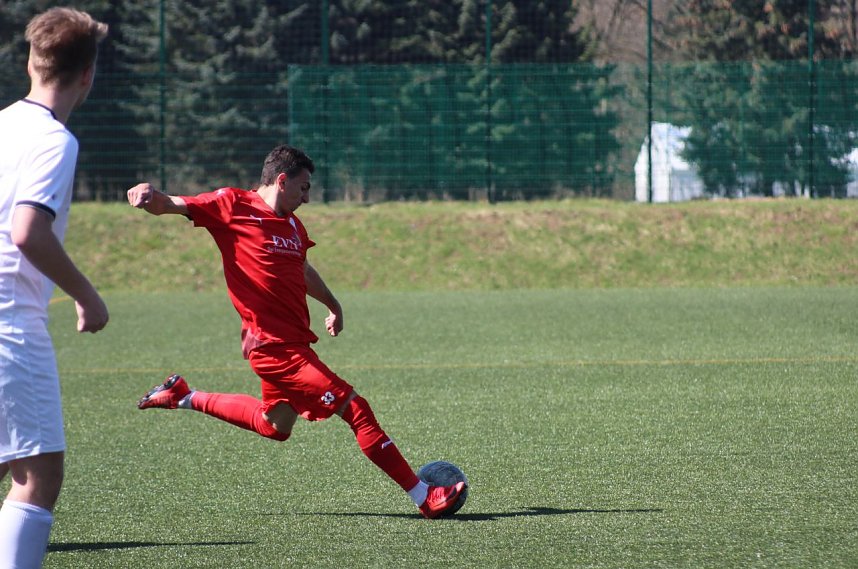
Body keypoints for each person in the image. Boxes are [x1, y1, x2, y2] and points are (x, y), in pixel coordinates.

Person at [127, 144, 465, 519]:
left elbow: (302, 269)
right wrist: (148, 194)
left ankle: (184, 396)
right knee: (356, 409)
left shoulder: (292, 225)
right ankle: (423, 496)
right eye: (303, 188)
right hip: (273, 349)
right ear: (282, 180)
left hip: (296, 344)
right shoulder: (232, 204)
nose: (306, 198)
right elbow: (171, 204)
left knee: (274, 425)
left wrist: (333, 304)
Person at [0, 8, 110, 568]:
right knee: (38, 471)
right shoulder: (53, 140)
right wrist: (87, 295)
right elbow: (28, 231)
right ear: (88, 75)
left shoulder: (2, 124)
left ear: (30, 62)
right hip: (11, 324)